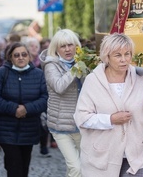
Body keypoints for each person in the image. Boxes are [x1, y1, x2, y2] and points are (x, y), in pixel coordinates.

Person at [74, 33, 143, 176]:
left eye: (127, 54)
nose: (124, 60)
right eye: (117, 55)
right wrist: (110, 119)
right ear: (107, 56)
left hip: (136, 156)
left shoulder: (140, 80)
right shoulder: (93, 81)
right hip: (102, 157)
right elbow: (82, 118)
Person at [0, 42, 47, 177]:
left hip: (29, 129)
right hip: (6, 129)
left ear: (29, 56)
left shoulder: (38, 74)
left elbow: (45, 99)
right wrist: (14, 109)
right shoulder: (1, 73)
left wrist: (27, 109)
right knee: (15, 167)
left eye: (24, 54)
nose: (21, 57)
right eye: (16, 55)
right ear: (11, 58)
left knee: (24, 166)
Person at [39, 29, 83, 176]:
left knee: (80, 167)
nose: (67, 49)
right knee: (76, 167)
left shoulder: (82, 63)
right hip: (60, 126)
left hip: (81, 123)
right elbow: (59, 87)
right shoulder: (51, 65)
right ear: (56, 49)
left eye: (70, 45)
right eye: (63, 46)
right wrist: (76, 69)